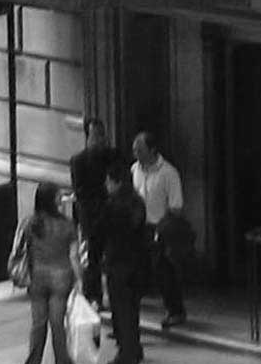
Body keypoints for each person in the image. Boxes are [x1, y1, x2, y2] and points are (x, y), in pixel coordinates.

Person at [6, 183, 81, 364]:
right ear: (51, 200)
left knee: (38, 324)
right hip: (62, 279)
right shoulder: (68, 225)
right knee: (57, 324)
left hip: (37, 277)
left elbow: (19, 249)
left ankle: (34, 360)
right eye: (58, 196)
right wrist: (80, 279)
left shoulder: (30, 223)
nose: (61, 199)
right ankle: (62, 360)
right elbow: (73, 256)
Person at [91, 165, 152, 364]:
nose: (106, 185)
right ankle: (135, 347)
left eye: (108, 181)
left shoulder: (112, 206)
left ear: (116, 182)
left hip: (118, 263)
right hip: (138, 263)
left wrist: (94, 259)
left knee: (122, 309)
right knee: (133, 309)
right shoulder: (137, 202)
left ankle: (127, 352)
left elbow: (98, 235)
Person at [130, 130, 190, 329]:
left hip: (161, 227)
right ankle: (130, 317)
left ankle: (175, 310)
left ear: (152, 150)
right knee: (137, 272)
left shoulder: (168, 173)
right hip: (139, 227)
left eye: (140, 149)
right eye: (134, 148)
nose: (135, 152)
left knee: (164, 270)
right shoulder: (134, 170)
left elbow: (176, 206)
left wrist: (162, 228)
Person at [65, 118, 122, 304]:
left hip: (112, 213)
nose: (99, 139)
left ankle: (116, 294)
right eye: (95, 135)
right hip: (91, 215)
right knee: (93, 257)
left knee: (115, 256)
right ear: (88, 137)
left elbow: (120, 180)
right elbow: (80, 191)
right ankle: (93, 296)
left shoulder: (113, 156)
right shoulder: (78, 161)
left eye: (101, 135)